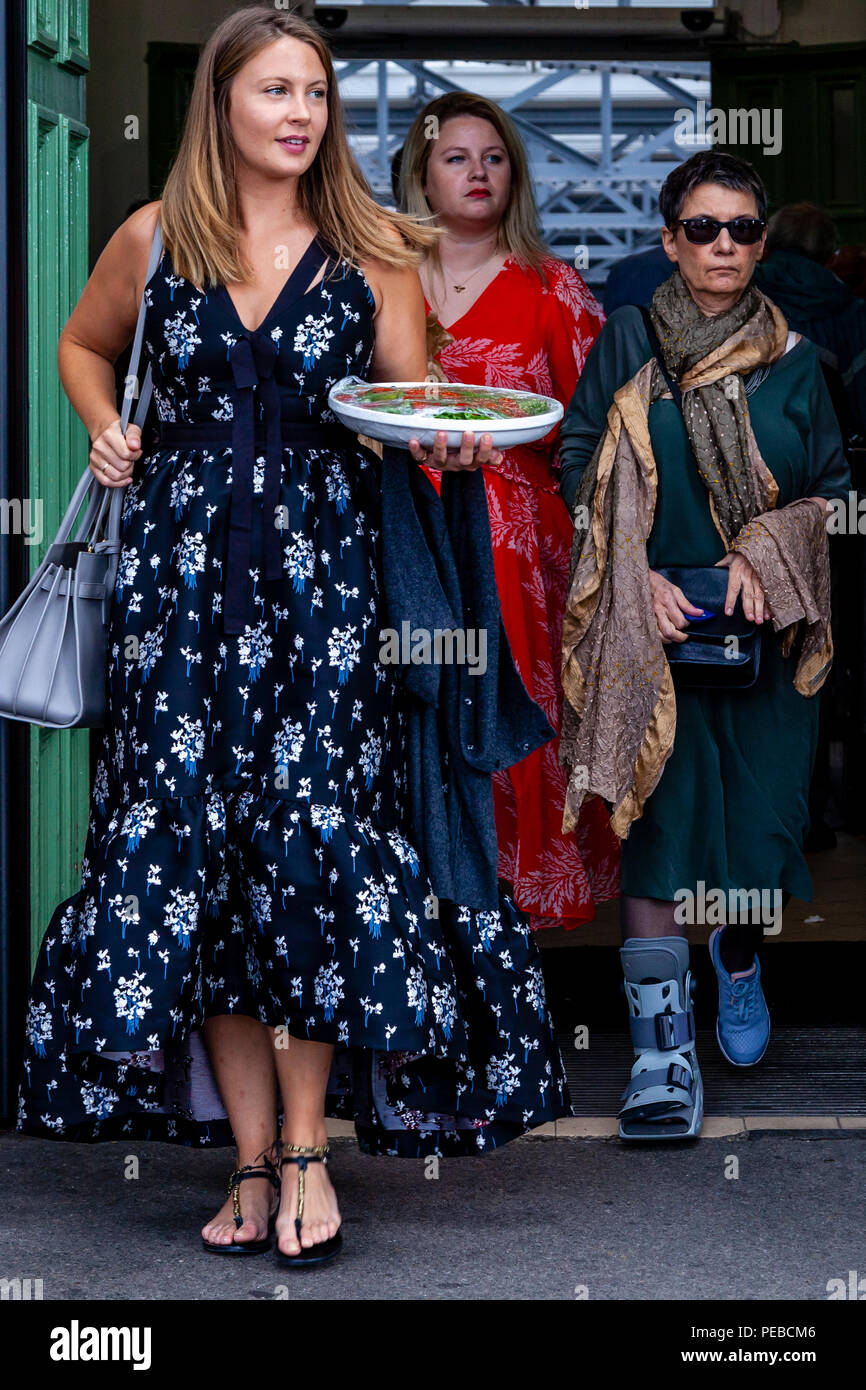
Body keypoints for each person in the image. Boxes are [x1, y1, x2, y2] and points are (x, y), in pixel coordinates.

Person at [16, 5, 572, 1264]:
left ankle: (313, 1150)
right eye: (275, 90)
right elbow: (82, 343)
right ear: (222, 104)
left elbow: (401, 406)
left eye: (316, 93)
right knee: (198, 867)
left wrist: (439, 431)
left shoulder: (373, 247)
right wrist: (108, 424)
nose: (300, 114)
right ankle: (251, 1164)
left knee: (315, 853)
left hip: (327, 604)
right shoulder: (157, 241)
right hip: (177, 597)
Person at [557, 150, 850, 1140]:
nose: (720, 245)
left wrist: (770, 553)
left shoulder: (799, 358)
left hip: (762, 642)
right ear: (667, 239)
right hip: (653, 629)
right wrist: (630, 572)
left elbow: (831, 489)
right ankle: (657, 1058)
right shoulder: (627, 344)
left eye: (738, 230)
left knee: (751, 839)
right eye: (699, 228)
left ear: (761, 243)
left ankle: (734, 952)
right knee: (657, 836)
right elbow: (576, 459)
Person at [397, 90, 620, 933]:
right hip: (409, 536)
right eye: (456, 157)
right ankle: (425, 918)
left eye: (493, 158)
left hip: (523, 551)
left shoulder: (551, 286)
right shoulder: (380, 275)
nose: (478, 172)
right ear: (421, 172)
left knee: (515, 711)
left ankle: (511, 937)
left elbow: (600, 429)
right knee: (420, 711)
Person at [753, 202, 866, 437]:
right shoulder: (852, 311)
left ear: (767, 244)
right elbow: (860, 403)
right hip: (826, 446)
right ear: (828, 255)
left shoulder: (739, 292)